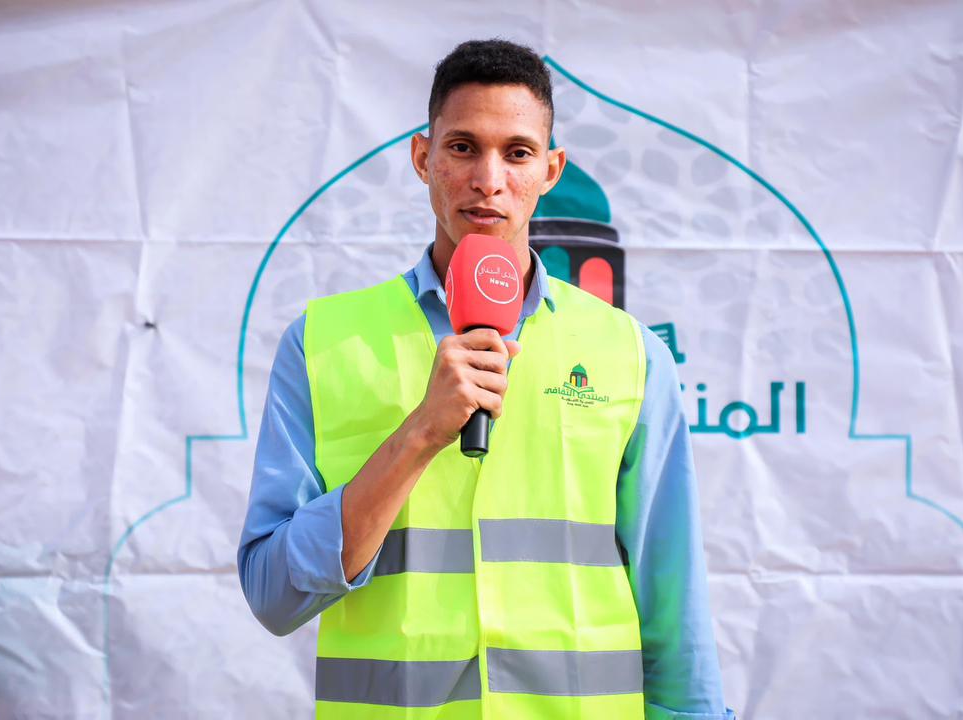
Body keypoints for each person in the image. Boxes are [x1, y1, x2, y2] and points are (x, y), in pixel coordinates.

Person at [239, 39, 736, 719]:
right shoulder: (324, 341)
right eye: (463, 147)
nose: (489, 179)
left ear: (551, 170)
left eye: (518, 152)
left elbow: (671, 594)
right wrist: (418, 434)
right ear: (424, 158)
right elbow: (273, 596)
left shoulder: (630, 353)